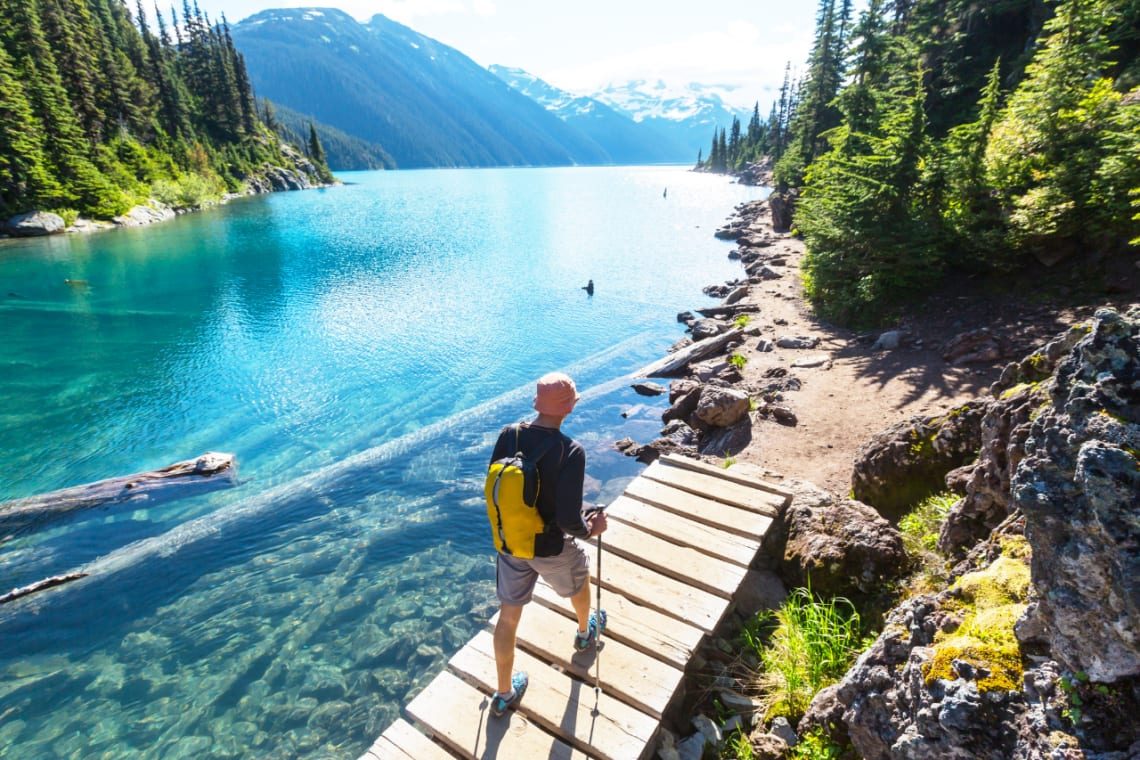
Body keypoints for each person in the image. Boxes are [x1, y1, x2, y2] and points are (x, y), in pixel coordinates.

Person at [487, 372, 608, 717]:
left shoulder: (508, 435)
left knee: (508, 618)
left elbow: (504, 488)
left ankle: (504, 692)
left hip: (510, 542)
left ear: (537, 404)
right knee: (579, 580)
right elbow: (569, 519)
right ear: (569, 408)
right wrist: (592, 529)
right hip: (550, 548)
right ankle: (585, 632)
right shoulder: (570, 450)